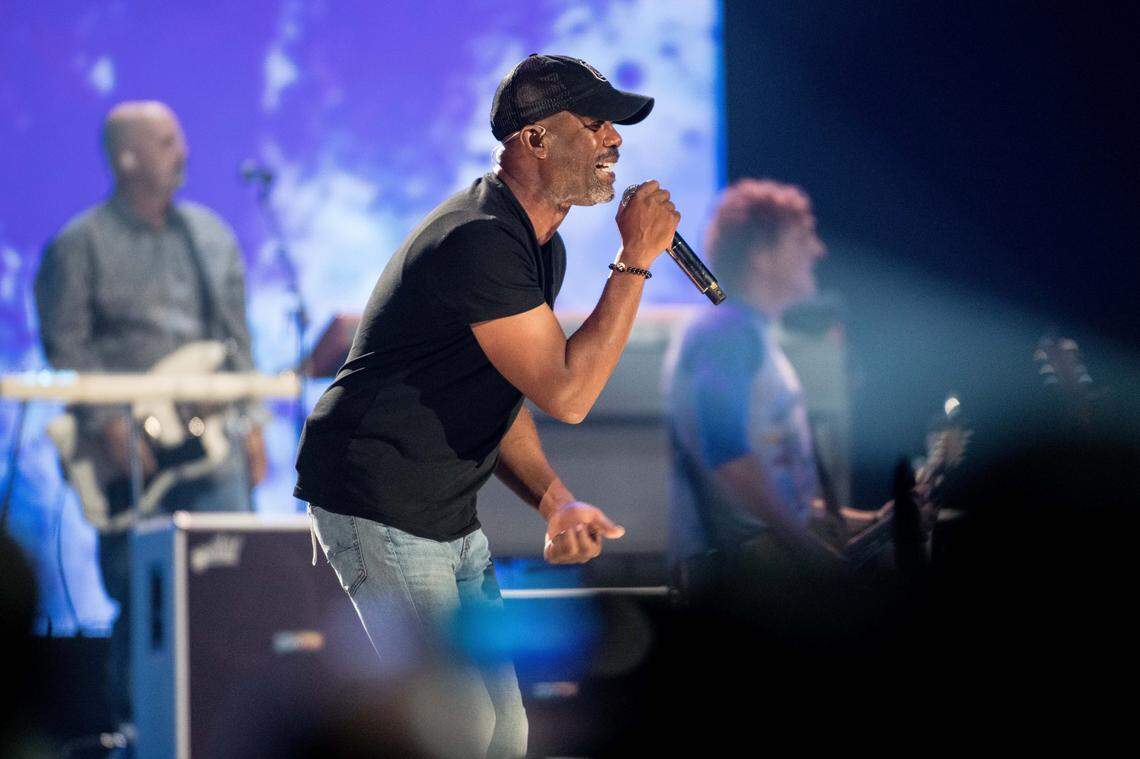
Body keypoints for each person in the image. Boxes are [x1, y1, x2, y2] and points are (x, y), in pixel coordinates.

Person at [295, 54, 678, 757]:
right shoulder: (478, 239)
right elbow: (568, 393)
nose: (614, 139)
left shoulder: (537, 245)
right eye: (595, 123)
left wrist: (555, 501)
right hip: (377, 497)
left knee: (505, 732)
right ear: (535, 139)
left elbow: (496, 392)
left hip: (443, 512)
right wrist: (634, 261)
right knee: (456, 728)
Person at [34, 100, 267, 725]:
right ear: (127, 158)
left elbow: (236, 341)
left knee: (230, 581)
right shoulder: (79, 245)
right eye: (166, 143)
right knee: (144, 596)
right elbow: (66, 347)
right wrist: (106, 421)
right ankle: (136, 730)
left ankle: (225, 729)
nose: (183, 153)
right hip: (130, 454)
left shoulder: (210, 237)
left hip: (212, 446)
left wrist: (252, 423)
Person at [664, 179, 851, 592]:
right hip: (735, 584)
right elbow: (728, 458)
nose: (818, 250)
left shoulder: (748, 333)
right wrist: (808, 550)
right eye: (801, 238)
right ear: (761, 256)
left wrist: (873, 521)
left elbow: (774, 491)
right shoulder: (725, 333)